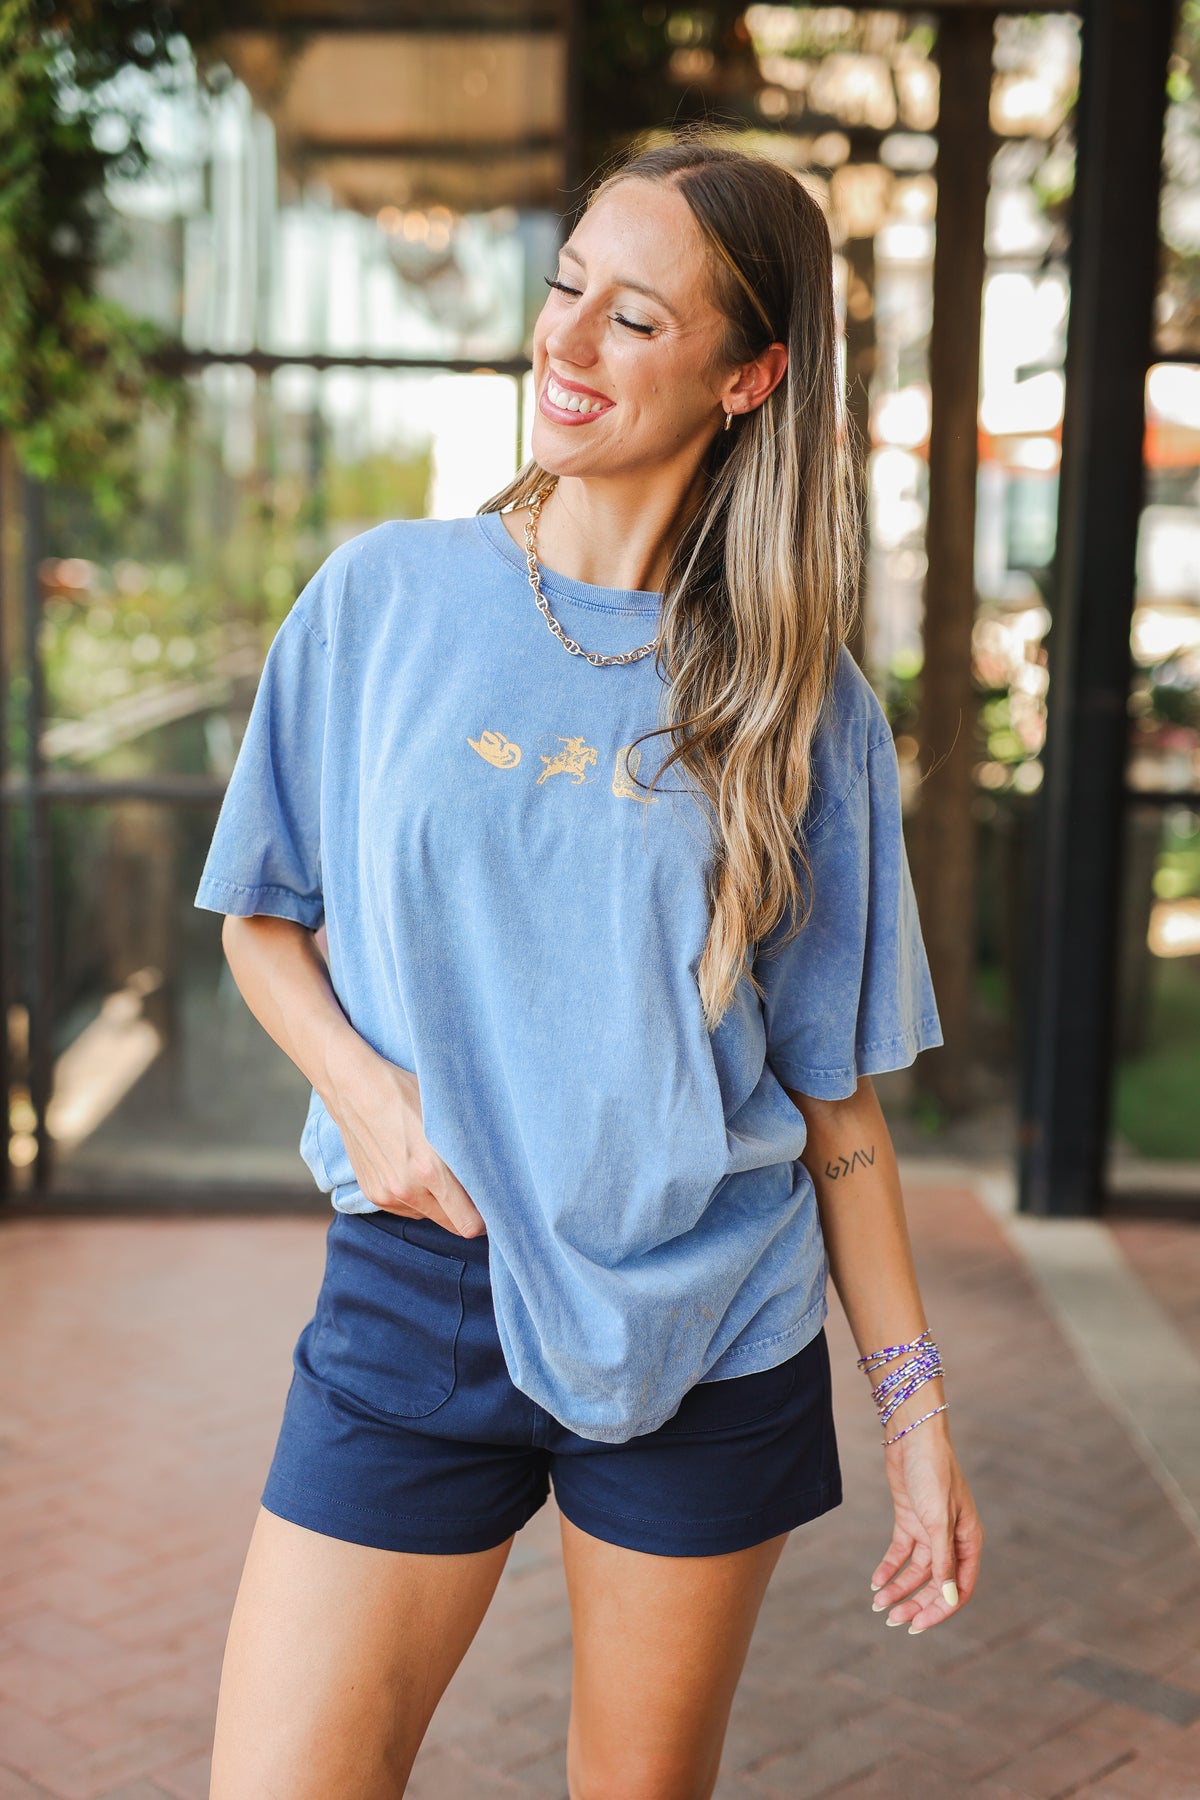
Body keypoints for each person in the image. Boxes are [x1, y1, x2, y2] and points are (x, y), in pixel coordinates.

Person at [196, 130, 984, 1800]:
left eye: (634, 319)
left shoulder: (801, 704)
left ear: (751, 374)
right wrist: (373, 1105)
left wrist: (913, 1414)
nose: (563, 343)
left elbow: (829, 1103)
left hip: (706, 1329)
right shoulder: (381, 601)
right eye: (566, 291)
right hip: (423, 1289)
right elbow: (261, 915)